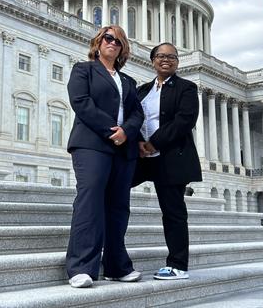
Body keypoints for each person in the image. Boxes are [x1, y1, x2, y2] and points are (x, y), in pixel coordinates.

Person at [66, 25, 144, 288]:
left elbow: (137, 114)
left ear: (122, 49)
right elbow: (81, 103)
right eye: (107, 38)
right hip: (92, 144)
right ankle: (81, 267)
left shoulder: (128, 81)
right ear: (98, 43)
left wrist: (127, 132)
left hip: (124, 148)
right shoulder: (83, 70)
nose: (112, 43)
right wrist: (113, 130)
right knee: (90, 202)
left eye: (118, 41)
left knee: (119, 207)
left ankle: (116, 266)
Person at [133, 42, 202, 280]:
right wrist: (139, 143)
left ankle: (177, 265)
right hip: (141, 157)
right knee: (114, 190)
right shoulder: (142, 90)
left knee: (173, 212)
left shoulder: (187, 88)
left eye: (172, 57)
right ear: (152, 60)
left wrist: (154, 142)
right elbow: (133, 118)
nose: (166, 60)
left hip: (171, 157)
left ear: (177, 62)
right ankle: (113, 255)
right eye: (161, 56)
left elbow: (185, 121)